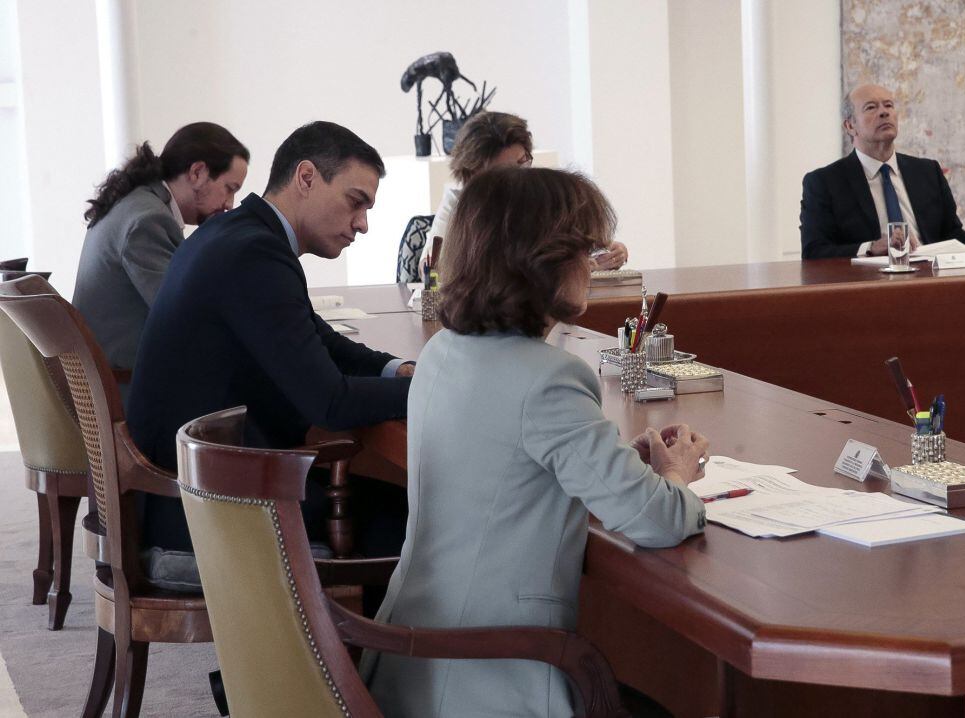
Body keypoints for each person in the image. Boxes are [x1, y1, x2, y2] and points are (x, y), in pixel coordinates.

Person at [362, 167, 708, 717]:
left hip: (411, 658)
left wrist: (615, 462)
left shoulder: (441, 352)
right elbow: (658, 520)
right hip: (495, 672)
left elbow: (505, 466)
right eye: (585, 248)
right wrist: (678, 475)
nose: (593, 263)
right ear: (543, 261)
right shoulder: (551, 377)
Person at [126, 121, 413, 566]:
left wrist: (396, 370)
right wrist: (436, 388)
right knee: (416, 524)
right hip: (203, 513)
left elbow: (321, 338)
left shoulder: (240, 236)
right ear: (306, 178)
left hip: (193, 487)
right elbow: (330, 403)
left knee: (397, 506)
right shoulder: (253, 253)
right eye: (356, 202)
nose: (363, 225)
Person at [73, 123, 249, 375]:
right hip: (129, 388)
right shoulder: (148, 221)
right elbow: (189, 319)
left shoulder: (137, 203)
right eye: (229, 189)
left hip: (116, 381)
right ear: (197, 172)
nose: (229, 204)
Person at [800, 83, 965, 259]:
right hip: (868, 288)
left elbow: (950, 234)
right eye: (871, 107)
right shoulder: (824, 182)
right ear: (850, 126)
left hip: (931, 282)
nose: (884, 112)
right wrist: (870, 248)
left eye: (888, 105)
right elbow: (814, 251)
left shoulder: (927, 171)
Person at [427, 110, 630, 270]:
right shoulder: (457, 203)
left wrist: (606, 252)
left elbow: (571, 246)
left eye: (522, 163)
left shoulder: (536, 196)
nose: (519, 178)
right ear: (474, 173)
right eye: (505, 172)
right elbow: (436, 268)